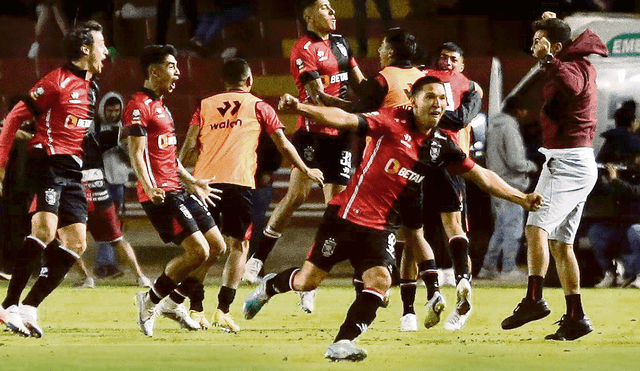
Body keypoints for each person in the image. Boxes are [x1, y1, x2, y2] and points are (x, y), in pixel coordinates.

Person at [243, 76, 543, 361]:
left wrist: (522, 197)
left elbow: (483, 176)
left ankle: (342, 343)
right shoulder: (392, 120)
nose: (437, 104)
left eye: (442, 98)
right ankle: (270, 286)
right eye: (430, 97)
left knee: (381, 280)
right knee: (307, 282)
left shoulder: (441, 144)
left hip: (382, 226)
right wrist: (301, 108)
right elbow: (346, 119)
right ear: (413, 101)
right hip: (346, 215)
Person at [177, 58, 323, 332]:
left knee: (203, 251)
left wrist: (180, 177)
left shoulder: (205, 105)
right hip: (239, 185)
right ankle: (223, 310)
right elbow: (283, 144)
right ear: (250, 81)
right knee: (238, 247)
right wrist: (305, 168)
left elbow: (187, 146)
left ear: (225, 82)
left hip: (203, 185)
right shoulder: (260, 106)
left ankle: (196, 309)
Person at [243, 0, 365, 314]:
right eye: (325, 7)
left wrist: (380, 98)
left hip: (341, 138)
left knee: (335, 210)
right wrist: (355, 111)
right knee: (295, 196)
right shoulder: (303, 49)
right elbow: (319, 97)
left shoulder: (340, 43)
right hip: (312, 134)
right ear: (309, 15)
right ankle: (258, 259)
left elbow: (360, 83)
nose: (333, 12)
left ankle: (307, 282)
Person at [501, 12, 608, 341]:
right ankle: (576, 317)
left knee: (536, 227)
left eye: (539, 41)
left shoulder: (574, 67)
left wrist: (549, 57)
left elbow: (573, 86)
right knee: (561, 245)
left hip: (570, 164)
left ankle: (534, 299)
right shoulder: (572, 59)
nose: (534, 46)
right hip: (564, 162)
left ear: (557, 46)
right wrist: (552, 27)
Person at [0, 20, 108, 337]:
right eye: (102, 45)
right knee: (45, 230)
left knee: (76, 243)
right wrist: (2, 162)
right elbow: (16, 116)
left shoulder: (92, 89)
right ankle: (7, 306)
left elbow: (82, 137)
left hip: (73, 172)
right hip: (47, 162)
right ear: (85, 49)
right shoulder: (56, 81)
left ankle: (30, 307)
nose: (106, 51)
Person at [126, 44, 226, 337]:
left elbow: (169, 155)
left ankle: (174, 301)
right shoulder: (138, 106)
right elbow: (137, 153)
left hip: (178, 189)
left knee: (217, 247)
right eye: (172, 66)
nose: (177, 72)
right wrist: (148, 185)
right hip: (161, 194)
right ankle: (150, 300)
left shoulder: (162, 106)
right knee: (198, 251)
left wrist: (192, 181)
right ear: (154, 71)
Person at [401, 41, 483, 331]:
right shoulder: (432, 79)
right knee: (417, 234)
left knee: (429, 232)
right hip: (421, 160)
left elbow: (461, 119)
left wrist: (426, 107)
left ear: (462, 64)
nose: (447, 62)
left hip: (451, 162)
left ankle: (423, 304)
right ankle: (415, 307)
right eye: (443, 57)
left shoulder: (467, 87)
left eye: (453, 58)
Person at [72, 129, 151, 289]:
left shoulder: (61, 138)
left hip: (78, 196)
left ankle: (87, 278)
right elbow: (125, 132)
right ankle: (141, 277)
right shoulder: (94, 138)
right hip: (100, 193)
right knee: (117, 239)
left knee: (70, 240)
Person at [478, 95, 538, 281]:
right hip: (512, 184)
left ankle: (488, 267)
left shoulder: (494, 126)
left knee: (501, 228)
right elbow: (515, 161)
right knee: (512, 229)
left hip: (497, 182)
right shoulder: (509, 128)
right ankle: (508, 269)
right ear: (519, 111)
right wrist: (532, 166)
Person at [588, 101, 640, 288]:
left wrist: (615, 181)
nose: (634, 159)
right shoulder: (612, 149)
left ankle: (633, 274)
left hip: (634, 221)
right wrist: (611, 183)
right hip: (618, 218)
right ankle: (611, 273)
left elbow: (636, 192)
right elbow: (599, 182)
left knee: (636, 234)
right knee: (597, 233)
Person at [93, 92, 132, 279]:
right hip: (99, 180)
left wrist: (124, 146)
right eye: (109, 110)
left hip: (118, 181)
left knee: (114, 222)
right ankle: (104, 263)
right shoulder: (95, 126)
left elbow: (131, 158)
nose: (113, 114)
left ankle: (106, 263)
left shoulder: (125, 128)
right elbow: (90, 148)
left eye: (117, 110)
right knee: (107, 222)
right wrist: (111, 140)